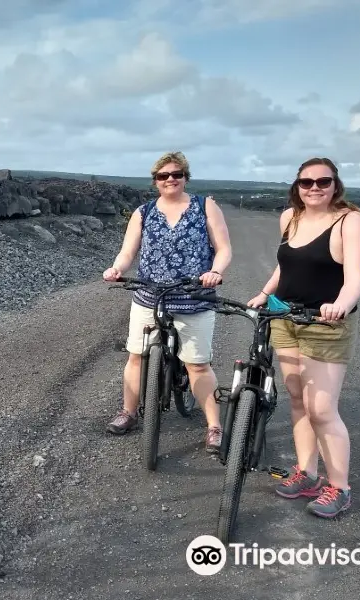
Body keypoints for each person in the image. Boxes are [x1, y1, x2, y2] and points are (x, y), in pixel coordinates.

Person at [246, 157, 360, 518]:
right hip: (284, 317)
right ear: (296, 186)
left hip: (325, 324)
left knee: (322, 409)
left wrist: (340, 306)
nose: (315, 188)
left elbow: (355, 281)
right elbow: (285, 265)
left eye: (323, 181)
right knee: (298, 399)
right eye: (307, 182)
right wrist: (264, 292)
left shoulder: (351, 221)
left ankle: (340, 487)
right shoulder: (290, 218)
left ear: (335, 185)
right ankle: (307, 473)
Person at [103, 151, 232, 453]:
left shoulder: (205, 206)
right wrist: (117, 269)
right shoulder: (144, 212)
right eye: (163, 176)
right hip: (149, 294)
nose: (170, 179)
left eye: (176, 174)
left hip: (194, 297)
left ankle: (214, 426)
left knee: (197, 365)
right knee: (136, 356)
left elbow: (224, 248)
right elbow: (127, 251)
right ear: (155, 181)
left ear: (186, 177)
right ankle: (128, 412)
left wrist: (215, 271)